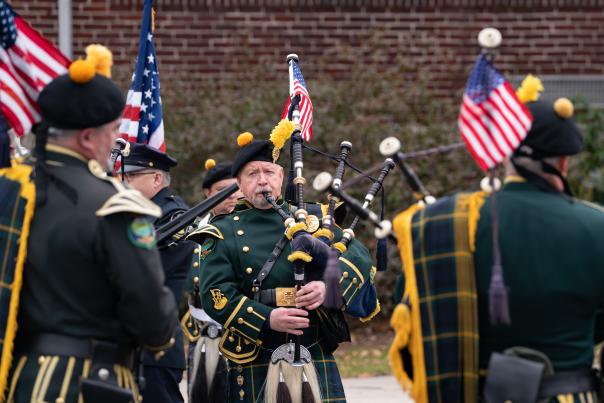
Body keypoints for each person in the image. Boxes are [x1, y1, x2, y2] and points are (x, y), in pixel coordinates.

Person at [390, 91, 604, 402]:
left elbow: (411, 309)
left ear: (506, 155)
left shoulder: (450, 224)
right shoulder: (596, 225)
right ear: (563, 160)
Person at [2, 47, 178, 402]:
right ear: (86, 138)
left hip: (20, 379)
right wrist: (161, 335)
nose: (116, 143)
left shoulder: (10, 191)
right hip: (90, 382)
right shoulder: (114, 204)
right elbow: (150, 312)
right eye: (113, 131)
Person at [191, 131, 380, 402]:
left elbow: (358, 257)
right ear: (239, 184)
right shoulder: (221, 231)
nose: (262, 180)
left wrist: (328, 287)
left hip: (313, 344)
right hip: (255, 349)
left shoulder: (314, 220)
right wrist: (267, 318)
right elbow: (216, 296)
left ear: (281, 176)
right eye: (252, 174)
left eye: (268, 172)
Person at [121, 143, 197, 403]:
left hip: (157, 348)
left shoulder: (174, 218)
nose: (122, 181)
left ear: (156, 178)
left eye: (130, 176)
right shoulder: (133, 215)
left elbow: (146, 276)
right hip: (124, 344)